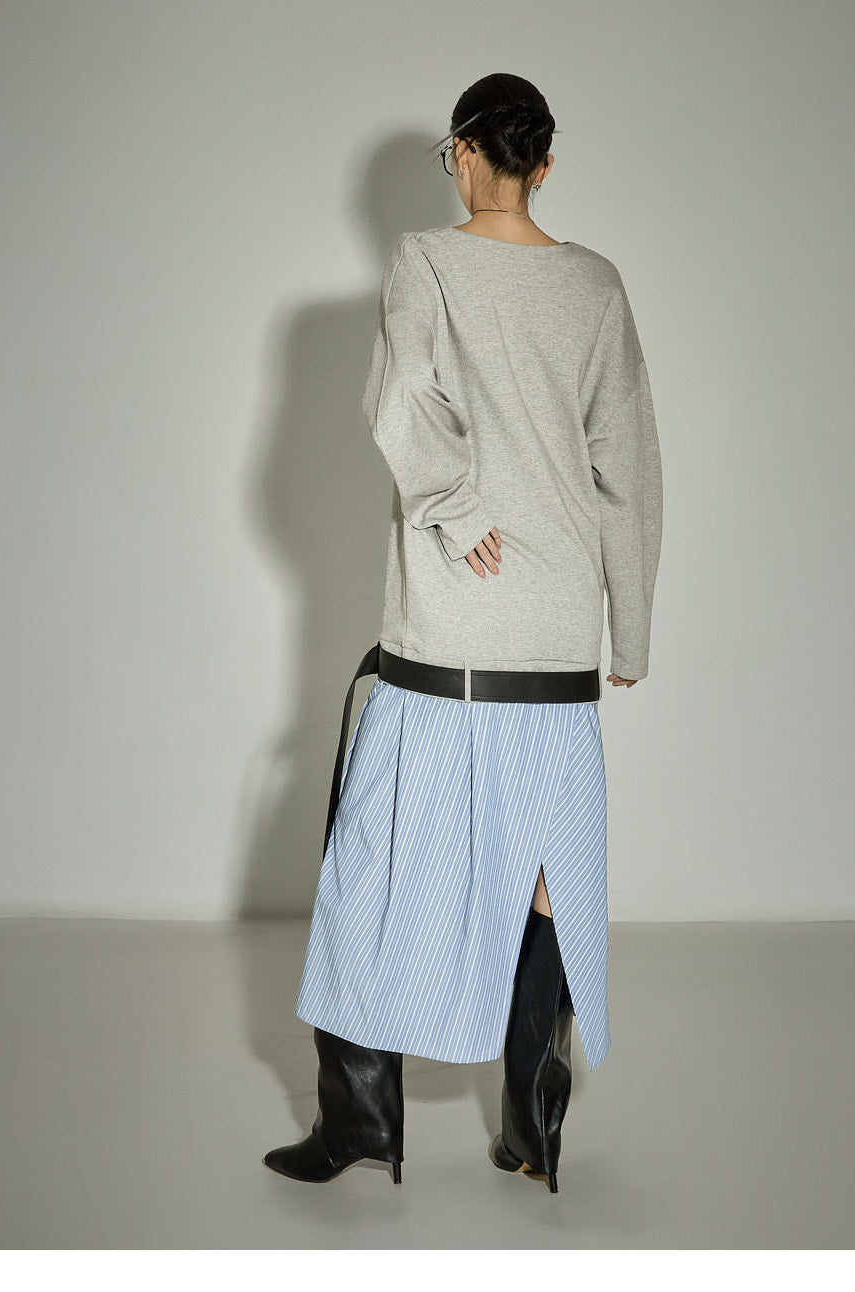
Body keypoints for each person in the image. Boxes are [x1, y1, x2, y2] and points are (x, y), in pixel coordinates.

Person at [263, 72, 663, 1196]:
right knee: (546, 876)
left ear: (465, 155)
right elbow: (629, 466)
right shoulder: (596, 283)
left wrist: (454, 505)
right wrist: (628, 626)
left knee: (374, 861)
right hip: (555, 633)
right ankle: (534, 1130)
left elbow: (398, 401)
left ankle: (358, 1123)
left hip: (449, 619)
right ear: (544, 163)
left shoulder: (426, 262)